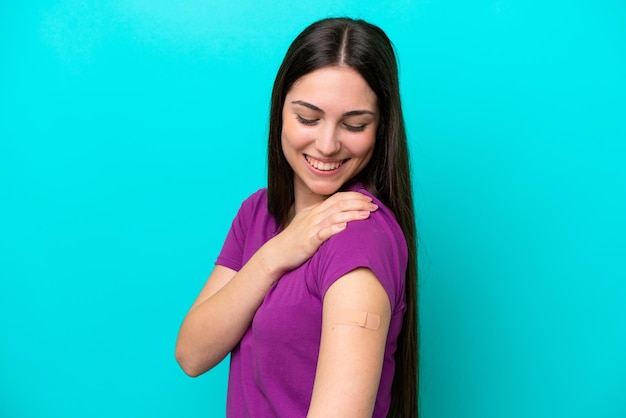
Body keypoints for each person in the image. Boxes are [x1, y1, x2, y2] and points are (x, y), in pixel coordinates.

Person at [175, 17, 418, 418]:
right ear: (280, 112)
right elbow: (192, 354)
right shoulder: (258, 212)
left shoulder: (359, 236)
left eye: (355, 124)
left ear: (381, 130)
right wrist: (276, 254)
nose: (327, 144)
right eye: (308, 118)